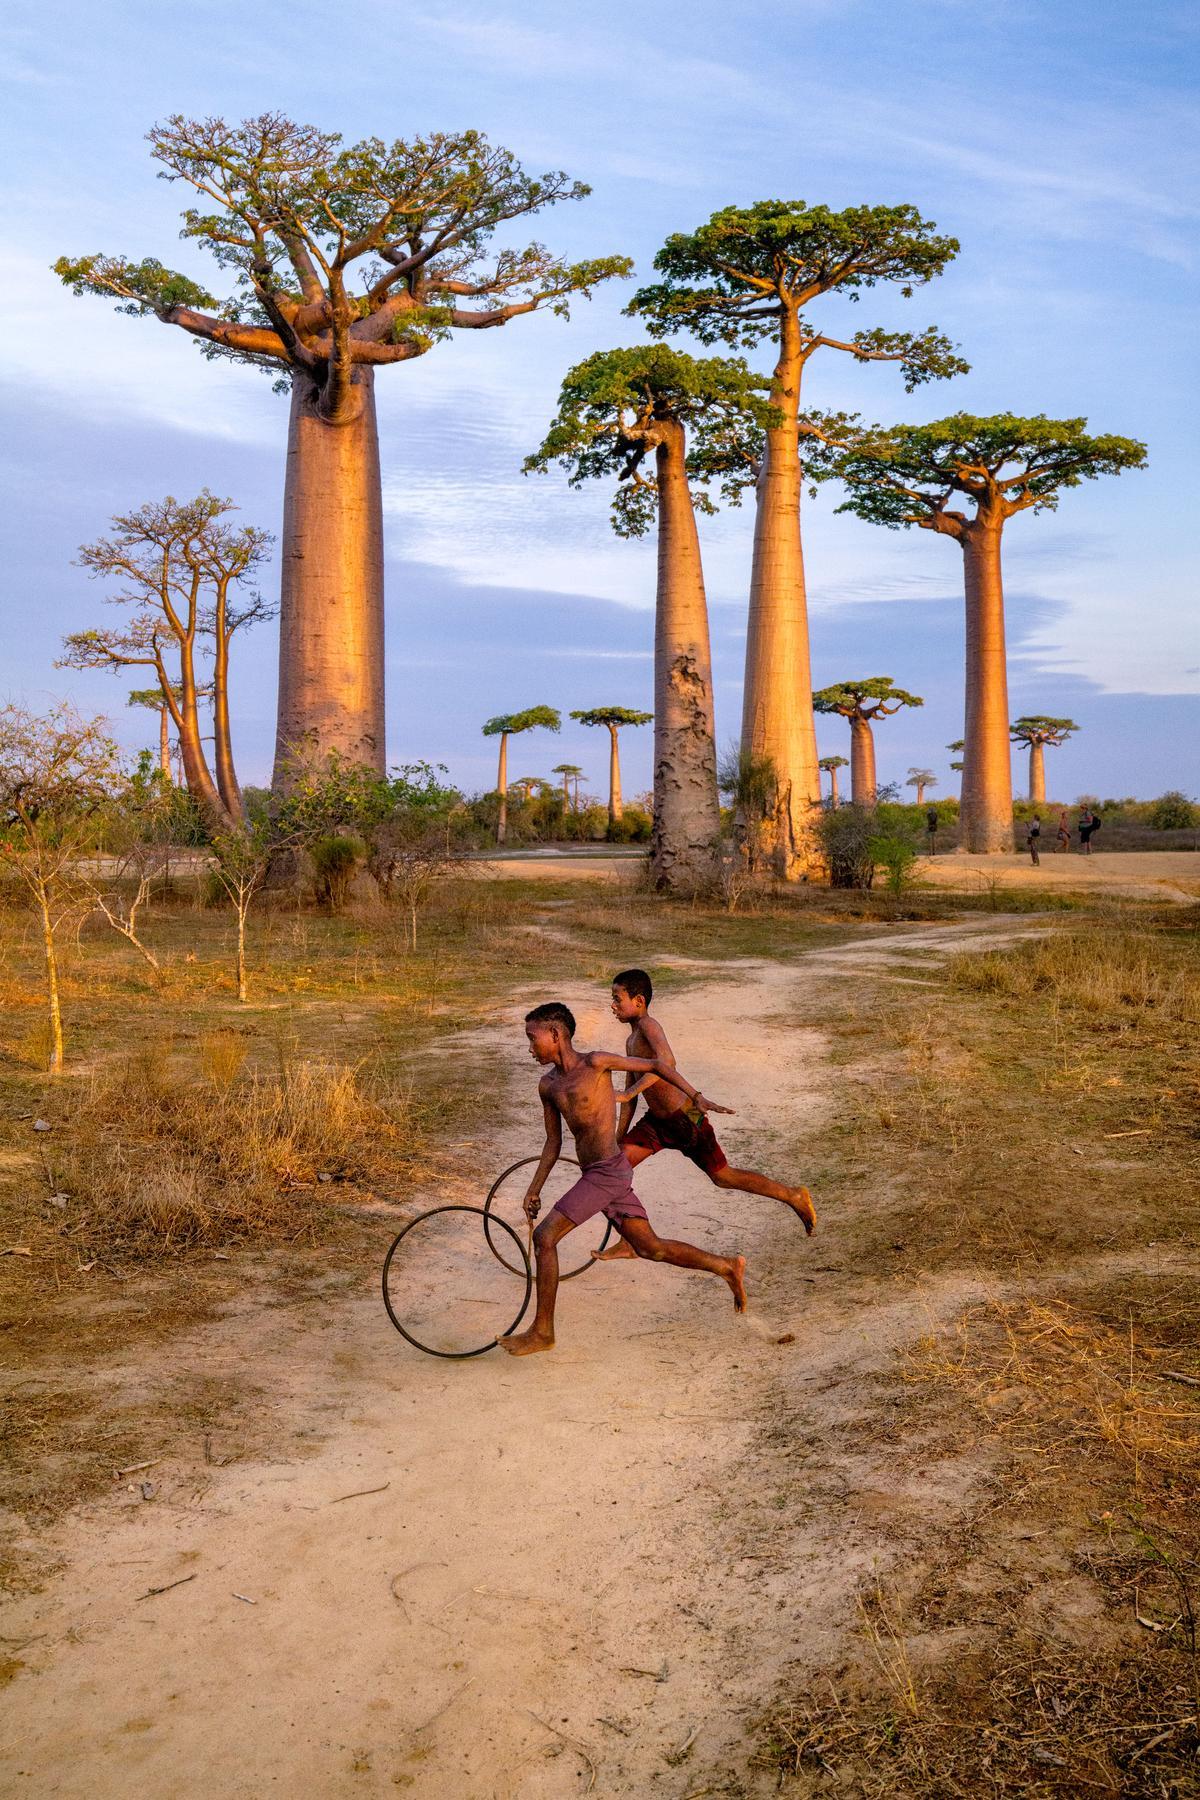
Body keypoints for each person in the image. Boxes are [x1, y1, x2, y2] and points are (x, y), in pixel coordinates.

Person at [498, 1002, 747, 1356]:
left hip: (607, 1172)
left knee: (545, 1236)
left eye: (532, 1038)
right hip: (597, 1173)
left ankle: (542, 1332)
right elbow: (553, 1142)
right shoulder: (548, 1085)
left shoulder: (596, 1063)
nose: (529, 1047)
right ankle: (726, 1267)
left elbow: (658, 1065)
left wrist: (696, 1096)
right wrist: (533, 1189)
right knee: (650, 1248)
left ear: (556, 1034)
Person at [593, 969, 815, 1263]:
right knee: (615, 1167)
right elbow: (629, 1098)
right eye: (612, 999)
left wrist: (630, 1094)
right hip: (657, 1124)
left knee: (722, 1176)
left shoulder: (649, 1025)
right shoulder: (630, 1041)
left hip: (685, 1119)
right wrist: (618, 1136)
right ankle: (631, 1239)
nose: (613, 1005)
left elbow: (666, 1062)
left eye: (617, 999)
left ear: (639, 1001)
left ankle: (793, 1195)